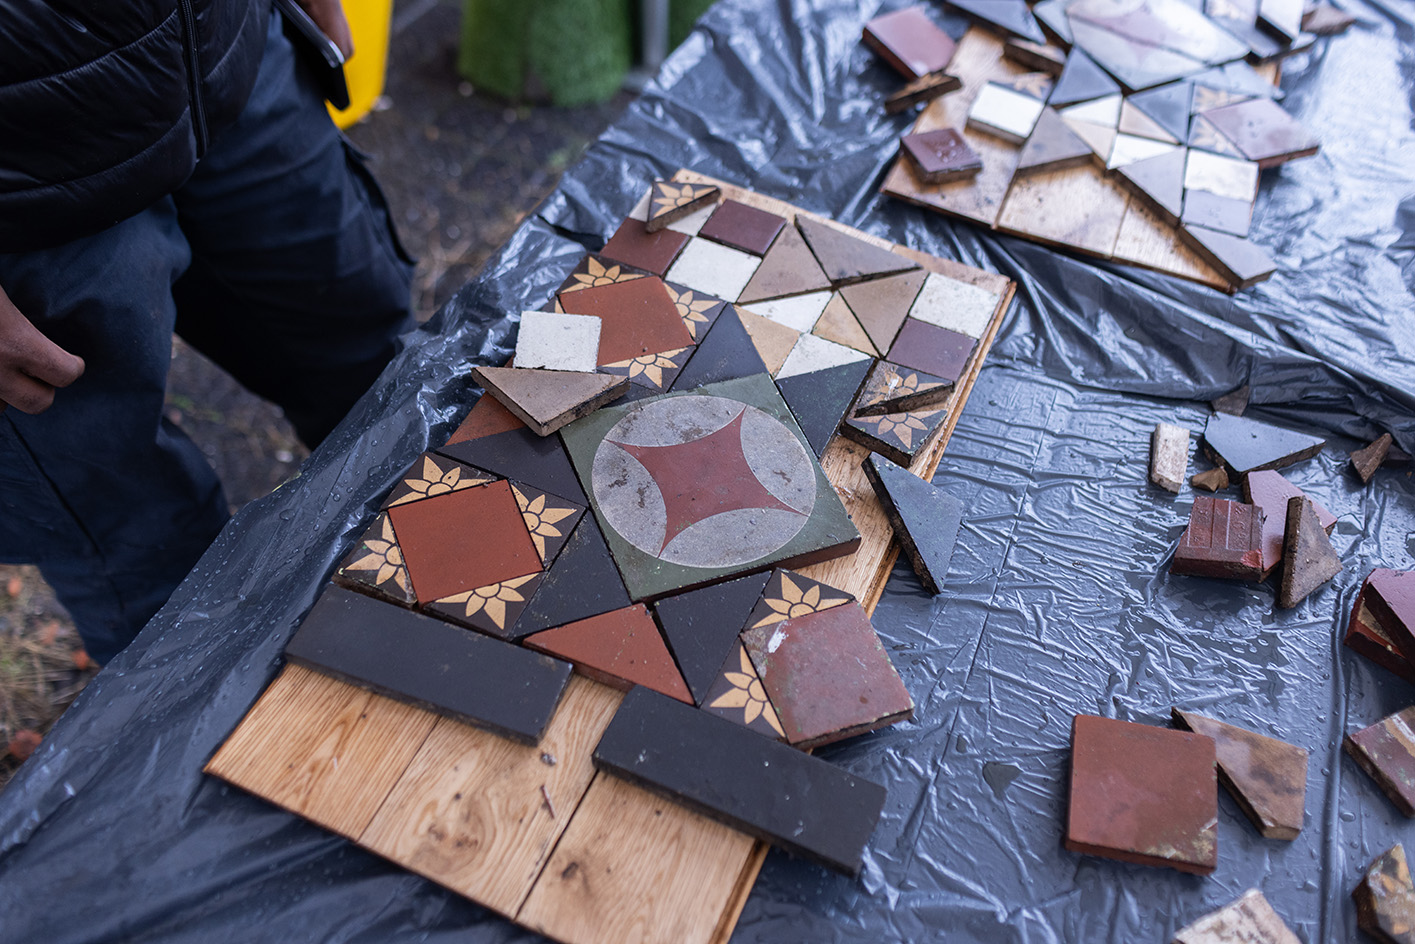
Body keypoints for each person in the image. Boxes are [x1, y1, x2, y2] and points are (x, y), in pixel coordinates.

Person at [0, 0, 416, 665]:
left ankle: (446, 634)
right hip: (22, 196)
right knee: (138, 545)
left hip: (227, 51)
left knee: (381, 374)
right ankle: (238, 754)